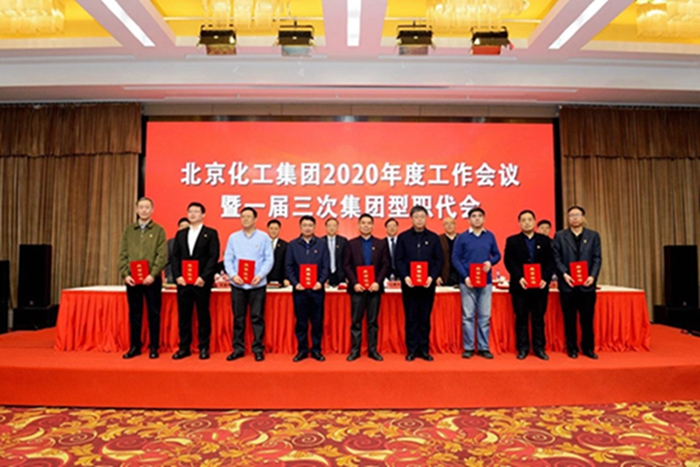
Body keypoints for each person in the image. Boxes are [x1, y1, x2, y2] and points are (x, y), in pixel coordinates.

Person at [118, 197, 167, 359]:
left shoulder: (159, 230)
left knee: (154, 314)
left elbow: (162, 255)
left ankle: (154, 347)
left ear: (152, 210)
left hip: (152, 280)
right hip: (133, 280)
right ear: (136, 210)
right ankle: (135, 346)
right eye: (141, 207)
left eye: (147, 207)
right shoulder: (129, 230)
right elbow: (123, 254)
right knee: (135, 314)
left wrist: (153, 274)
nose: (144, 210)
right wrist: (126, 274)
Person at [223, 207, 274, 362]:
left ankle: (258, 349)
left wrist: (260, 275)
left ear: (255, 219)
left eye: (248, 216)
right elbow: (228, 259)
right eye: (243, 216)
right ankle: (238, 349)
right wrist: (233, 275)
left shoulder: (264, 237)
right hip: (238, 285)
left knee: (257, 318)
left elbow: (269, 259)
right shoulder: (233, 238)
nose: (245, 219)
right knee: (238, 318)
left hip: (257, 284)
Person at [171, 202, 220, 360]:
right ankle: (184, 347)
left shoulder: (210, 233)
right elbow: (175, 256)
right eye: (190, 211)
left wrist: (204, 277)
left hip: (201, 282)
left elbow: (213, 257)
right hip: (183, 282)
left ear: (203, 215)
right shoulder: (181, 234)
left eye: (196, 211)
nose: (192, 214)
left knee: (202, 315)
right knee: (184, 316)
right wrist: (178, 275)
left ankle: (204, 347)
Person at [504, 210, 555, 360]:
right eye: (523, 220)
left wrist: (545, 278)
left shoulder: (544, 240)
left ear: (534, 222)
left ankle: (539, 348)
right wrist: (519, 277)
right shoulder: (512, 241)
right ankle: (522, 348)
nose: (527, 223)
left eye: (529, 220)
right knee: (521, 318)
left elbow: (550, 261)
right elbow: (509, 261)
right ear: (519, 223)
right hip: (520, 286)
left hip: (540, 286)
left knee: (538, 318)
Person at [395, 206, 444, 361]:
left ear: (426, 218)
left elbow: (439, 260)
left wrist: (432, 276)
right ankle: (411, 350)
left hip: (427, 285)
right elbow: (398, 260)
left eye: (422, 216)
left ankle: (424, 349)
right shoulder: (403, 238)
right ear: (411, 218)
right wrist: (405, 276)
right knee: (411, 318)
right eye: (416, 217)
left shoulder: (434, 238)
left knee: (424, 318)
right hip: (409, 285)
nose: (419, 220)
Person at [553, 206, 602, 359]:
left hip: (587, 284)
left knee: (587, 319)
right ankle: (572, 348)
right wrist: (564, 274)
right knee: (569, 319)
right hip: (568, 284)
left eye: (577, 215)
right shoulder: (560, 236)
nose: (574, 218)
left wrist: (592, 276)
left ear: (583, 217)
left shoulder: (593, 236)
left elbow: (597, 258)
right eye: (571, 215)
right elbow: (556, 258)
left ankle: (588, 348)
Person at [452, 207, 501, 359]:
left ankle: (483, 347)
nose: (477, 218)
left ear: (484, 219)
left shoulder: (490, 236)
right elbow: (455, 258)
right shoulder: (462, 237)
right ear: (469, 219)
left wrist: (491, 262)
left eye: (480, 216)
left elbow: (497, 255)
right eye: (474, 216)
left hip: (486, 282)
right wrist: (465, 276)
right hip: (467, 282)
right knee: (468, 316)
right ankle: (468, 347)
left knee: (484, 316)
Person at [343, 213, 390, 361]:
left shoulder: (381, 244)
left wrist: (377, 282)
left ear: (373, 225)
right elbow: (346, 265)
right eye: (363, 223)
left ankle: (372, 350)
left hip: (374, 289)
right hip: (357, 289)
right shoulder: (351, 244)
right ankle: (355, 351)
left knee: (372, 322)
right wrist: (355, 283)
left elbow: (385, 265)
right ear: (358, 225)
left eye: (369, 223)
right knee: (356, 321)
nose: (366, 226)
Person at [285, 215, 330, 362]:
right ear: (300, 227)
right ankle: (302, 350)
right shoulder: (292, 245)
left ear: (314, 227)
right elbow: (288, 266)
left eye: (310, 225)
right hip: (300, 290)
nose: (307, 228)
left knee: (317, 322)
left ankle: (316, 350)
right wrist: (295, 283)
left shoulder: (322, 244)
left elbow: (326, 266)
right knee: (301, 322)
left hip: (317, 290)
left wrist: (321, 282)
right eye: (305, 225)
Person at [322, 218, 347, 287]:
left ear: (337, 227)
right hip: (325, 276)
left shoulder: (343, 241)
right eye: (329, 225)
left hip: (340, 276)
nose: (332, 228)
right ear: (326, 227)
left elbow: (346, 259)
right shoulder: (320, 242)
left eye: (334, 225)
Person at [164, 217, 190, 284]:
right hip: (173, 275)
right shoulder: (171, 243)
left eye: (186, 226)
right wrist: (167, 276)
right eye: (182, 226)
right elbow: (167, 262)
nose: (184, 228)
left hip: (190, 274)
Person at [438, 217, 460, 286]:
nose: (449, 226)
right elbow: (436, 258)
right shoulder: (439, 239)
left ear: (455, 225)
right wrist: (437, 276)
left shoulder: (461, 238)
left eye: (451, 223)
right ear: (443, 226)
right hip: (445, 274)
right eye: (446, 224)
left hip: (460, 273)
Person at [266, 219, 289, 286]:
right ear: (268, 229)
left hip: (280, 280)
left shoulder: (285, 245)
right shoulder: (263, 244)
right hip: (264, 279)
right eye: (271, 228)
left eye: (276, 229)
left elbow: (287, 263)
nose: (273, 231)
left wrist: (286, 278)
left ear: (279, 230)